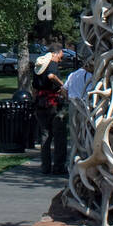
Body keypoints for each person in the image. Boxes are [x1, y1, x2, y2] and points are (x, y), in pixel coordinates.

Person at [33, 41, 66, 171]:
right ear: (55, 54)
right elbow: (51, 75)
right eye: (60, 57)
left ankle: (45, 166)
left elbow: (34, 87)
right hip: (53, 103)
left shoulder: (38, 66)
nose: (60, 60)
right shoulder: (52, 63)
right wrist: (61, 84)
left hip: (41, 104)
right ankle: (58, 166)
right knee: (59, 135)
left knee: (45, 135)